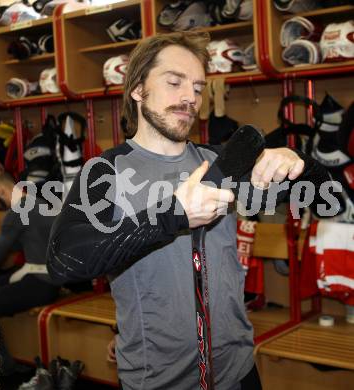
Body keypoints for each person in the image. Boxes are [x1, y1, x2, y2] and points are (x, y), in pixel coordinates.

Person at [47, 31, 317, 390]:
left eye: (197, 87)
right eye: (174, 82)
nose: (190, 97)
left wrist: (295, 161)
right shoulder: (104, 172)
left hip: (237, 370)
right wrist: (173, 213)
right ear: (138, 89)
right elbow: (63, 261)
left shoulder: (221, 161)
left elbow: (322, 194)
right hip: (159, 381)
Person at [0, 171, 60, 375]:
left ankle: (3, 365)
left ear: (0, 190)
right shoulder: (39, 203)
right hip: (51, 280)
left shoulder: (17, 213)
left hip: (40, 283)